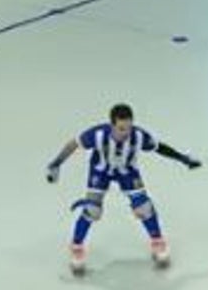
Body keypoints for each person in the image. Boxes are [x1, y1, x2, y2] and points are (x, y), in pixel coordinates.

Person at [45, 103, 200, 275]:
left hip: (127, 171)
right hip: (101, 171)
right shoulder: (97, 135)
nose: (125, 133)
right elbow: (73, 144)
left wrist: (183, 159)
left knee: (144, 207)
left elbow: (159, 147)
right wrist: (56, 164)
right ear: (112, 125)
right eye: (120, 129)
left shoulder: (138, 136)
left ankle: (157, 241)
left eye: (128, 128)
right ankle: (76, 246)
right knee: (92, 210)